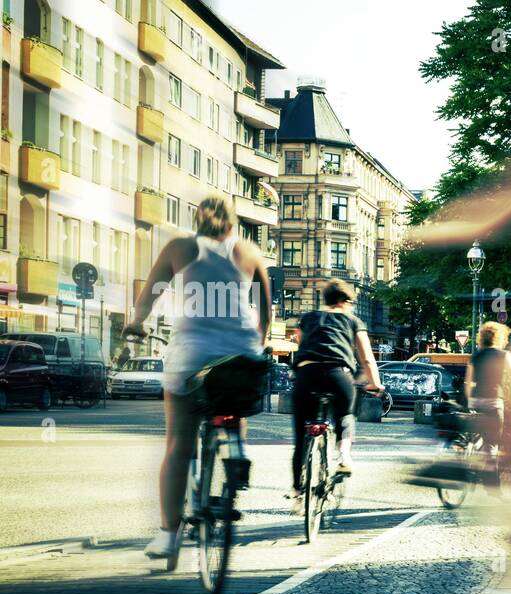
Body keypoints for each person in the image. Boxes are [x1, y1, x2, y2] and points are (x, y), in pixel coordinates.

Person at [126, 196, 271, 560]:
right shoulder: (250, 252)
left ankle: (167, 536)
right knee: (234, 397)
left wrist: (136, 323)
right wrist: (259, 343)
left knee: (179, 447)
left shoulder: (180, 246)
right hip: (239, 355)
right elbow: (266, 312)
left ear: (197, 220)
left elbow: (150, 296)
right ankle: (236, 450)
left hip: (192, 357)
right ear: (233, 224)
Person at [289, 278, 383, 513]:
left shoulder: (308, 318)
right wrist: (375, 384)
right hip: (337, 374)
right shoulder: (352, 320)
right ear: (344, 301)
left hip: (306, 374)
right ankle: (343, 456)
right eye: (351, 302)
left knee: (301, 436)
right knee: (345, 413)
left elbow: (300, 345)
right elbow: (367, 358)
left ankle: (297, 496)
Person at [465, 321, 511, 455]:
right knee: (492, 441)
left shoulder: (475, 356)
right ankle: (490, 471)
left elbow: (468, 382)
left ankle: (471, 452)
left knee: (477, 435)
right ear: (498, 337)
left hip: (475, 401)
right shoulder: (504, 355)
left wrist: (469, 401)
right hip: (493, 402)